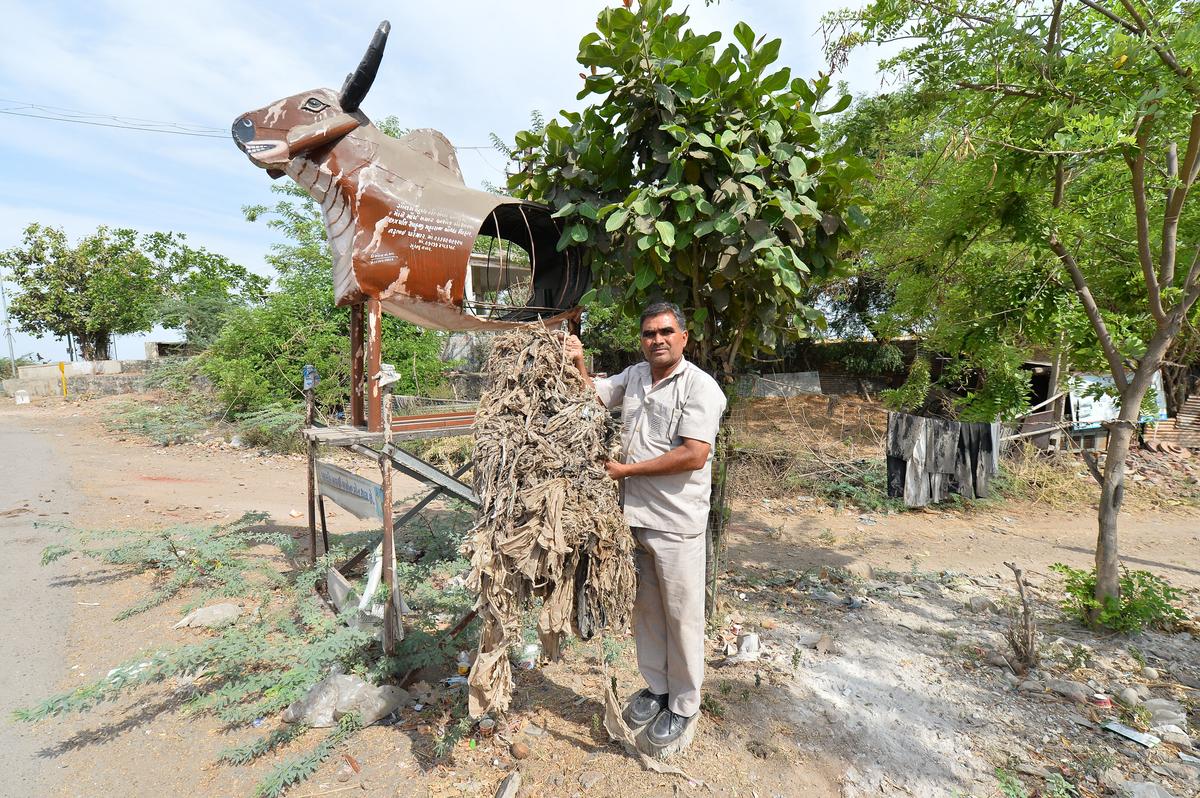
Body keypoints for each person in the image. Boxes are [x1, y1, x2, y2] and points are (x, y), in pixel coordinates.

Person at [565, 301, 726, 747]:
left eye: (666, 331)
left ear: (683, 337)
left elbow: (694, 453)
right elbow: (590, 397)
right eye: (649, 333)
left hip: (677, 523)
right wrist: (579, 361)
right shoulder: (634, 376)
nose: (657, 339)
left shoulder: (701, 388)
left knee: (683, 618)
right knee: (647, 614)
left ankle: (684, 706)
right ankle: (657, 689)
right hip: (634, 519)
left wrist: (625, 472)